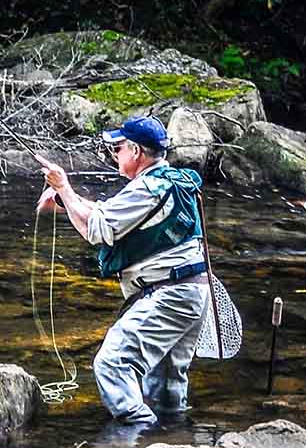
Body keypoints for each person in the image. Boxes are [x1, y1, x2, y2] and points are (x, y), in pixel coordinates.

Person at [36, 115, 207, 426]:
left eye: (118, 148)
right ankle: (172, 441)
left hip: (169, 293)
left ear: (136, 152)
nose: (114, 154)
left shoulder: (146, 189)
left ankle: (137, 434)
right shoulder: (165, 182)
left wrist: (64, 188)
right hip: (193, 293)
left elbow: (95, 229)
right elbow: (106, 213)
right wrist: (65, 197)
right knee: (165, 384)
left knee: (112, 364)